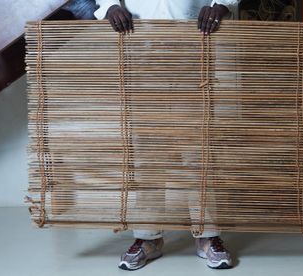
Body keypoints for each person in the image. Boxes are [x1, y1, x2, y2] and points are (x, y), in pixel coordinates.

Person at [93, 0, 239, 271]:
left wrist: (221, 4)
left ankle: (208, 237)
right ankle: (148, 238)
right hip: (141, 49)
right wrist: (111, 6)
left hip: (194, 48)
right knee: (148, 155)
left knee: (198, 151)